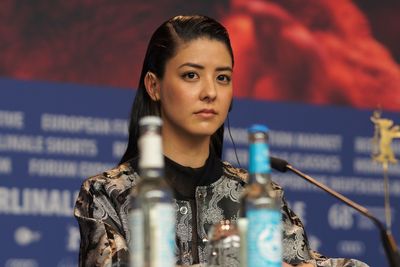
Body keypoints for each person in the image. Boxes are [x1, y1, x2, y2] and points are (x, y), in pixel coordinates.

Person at [74, 15, 369, 267]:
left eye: (223, 78)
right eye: (191, 75)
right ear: (154, 86)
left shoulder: (256, 196)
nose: (210, 92)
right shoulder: (107, 193)